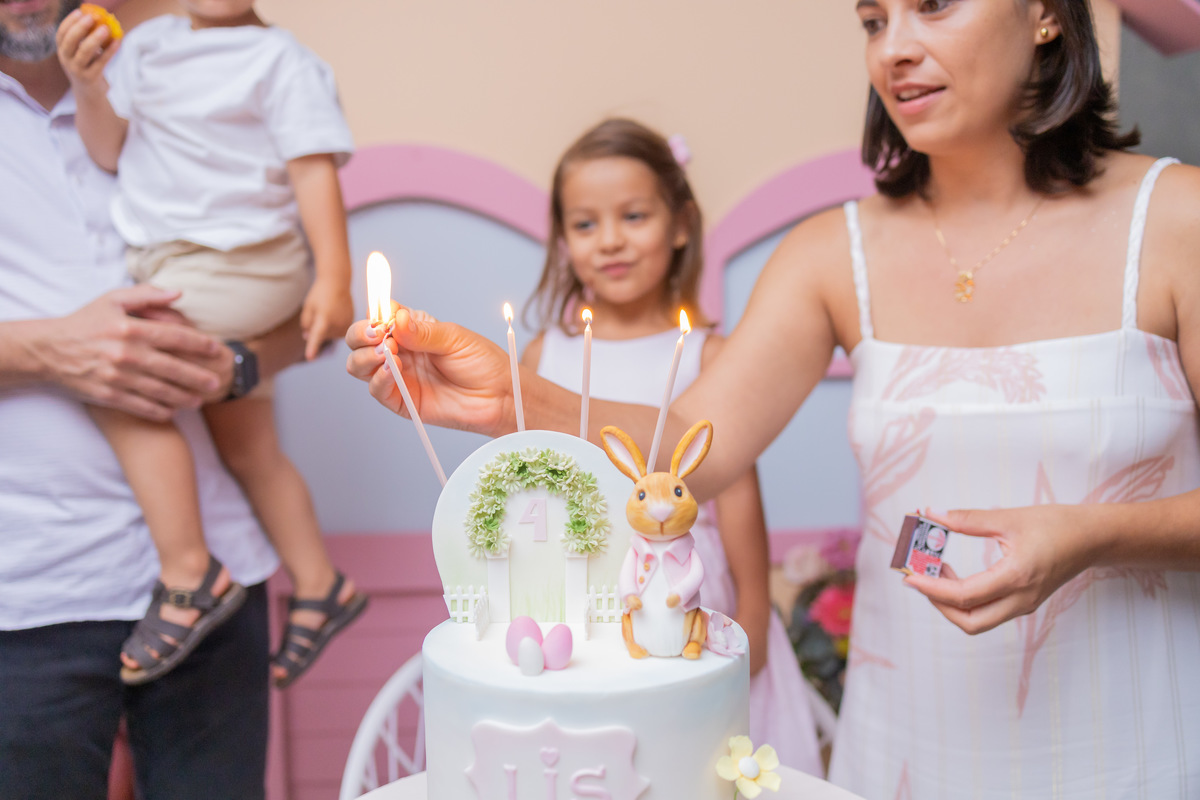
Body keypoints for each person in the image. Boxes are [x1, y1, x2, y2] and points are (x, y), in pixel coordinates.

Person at [348, 1, 1200, 796]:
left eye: (934, 2)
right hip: (903, 744)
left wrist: (1089, 534)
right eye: (872, 18)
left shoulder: (1175, 220)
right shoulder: (834, 252)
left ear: (1047, 12)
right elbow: (694, 442)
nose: (894, 47)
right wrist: (510, 395)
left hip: (1135, 735)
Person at [0, 0, 301, 795]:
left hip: (220, 577)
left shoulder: (182, 75)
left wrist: (237, 363)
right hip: (28, 594)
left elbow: (311, 309)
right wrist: (51, 351)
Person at [56, 0, 365, 688]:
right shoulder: (145, 47)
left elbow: (314, 172)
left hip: (244, 263)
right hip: (180, 265)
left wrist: (335, 280)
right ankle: (321, 584)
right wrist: (89, 86)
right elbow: (107, 151)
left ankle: (190, 573)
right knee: (247, 444)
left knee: (121, 374)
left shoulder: (281, 60)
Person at [520, 117, 822, 774]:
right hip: (578, 596)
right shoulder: (544, 356)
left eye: (633, 215)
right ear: (563, 240)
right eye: (585, 224)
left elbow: (736, 501)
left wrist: (751, 635)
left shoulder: (710, 358)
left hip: (691, 598)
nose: (611, 242)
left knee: (688, 762)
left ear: (681, 223)